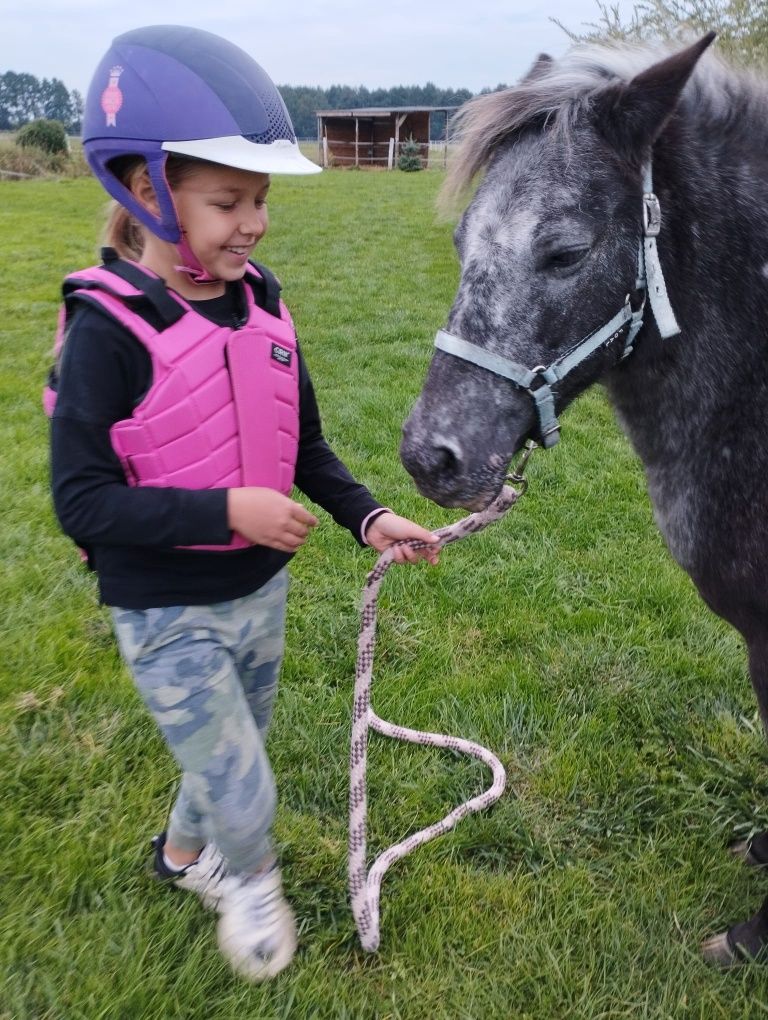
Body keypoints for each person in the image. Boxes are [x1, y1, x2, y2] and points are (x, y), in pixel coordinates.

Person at [48, 24, 440, 983]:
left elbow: (301, 445)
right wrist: (226, 512)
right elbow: (82, 503)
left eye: (259, 199)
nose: (254, 222)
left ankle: (180, 858)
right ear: (143, 188)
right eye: (227, 200)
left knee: (226, 752)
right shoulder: (109, 330)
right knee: (238, 777)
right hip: (163, 607)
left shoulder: (263, 302)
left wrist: (367, 515)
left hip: (258, 593)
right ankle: (248, 872)